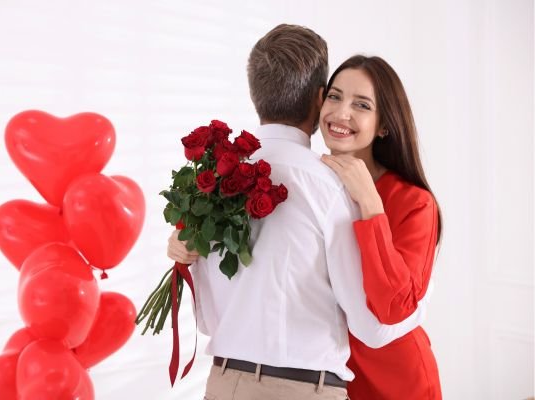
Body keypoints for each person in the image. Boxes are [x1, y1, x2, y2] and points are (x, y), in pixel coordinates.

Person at [167, 25, 428, 400]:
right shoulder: (331, 187)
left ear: (254, 92)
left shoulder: (213, 181)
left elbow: (207, 320)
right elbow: (369, 327)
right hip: (300, 388)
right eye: (335, 96)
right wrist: (418, 308)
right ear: (319, 99)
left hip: (223, 383)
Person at [319, 55, 442, 399]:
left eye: (361, 104)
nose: (341, 113)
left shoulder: (415, 203)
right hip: (331, 380)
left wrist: (370, 205)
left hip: (400, 382)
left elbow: (393, 306)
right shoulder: (309, 182)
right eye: (334, 96)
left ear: (383, 125)